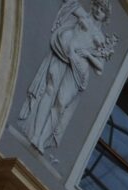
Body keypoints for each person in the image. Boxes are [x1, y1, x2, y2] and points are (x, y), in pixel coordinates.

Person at [20, 0, 116, 154]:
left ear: (106, 16)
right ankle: (36, 134)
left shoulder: (101, 38)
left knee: (61, 103)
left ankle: (42, 141)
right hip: (63, 53)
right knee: (49, 90)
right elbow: (69, 4)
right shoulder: (83, 16)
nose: (99, 11)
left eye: (103, 10)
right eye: (97, 6)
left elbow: (100, 67)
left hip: (78, 69)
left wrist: (88, 55)